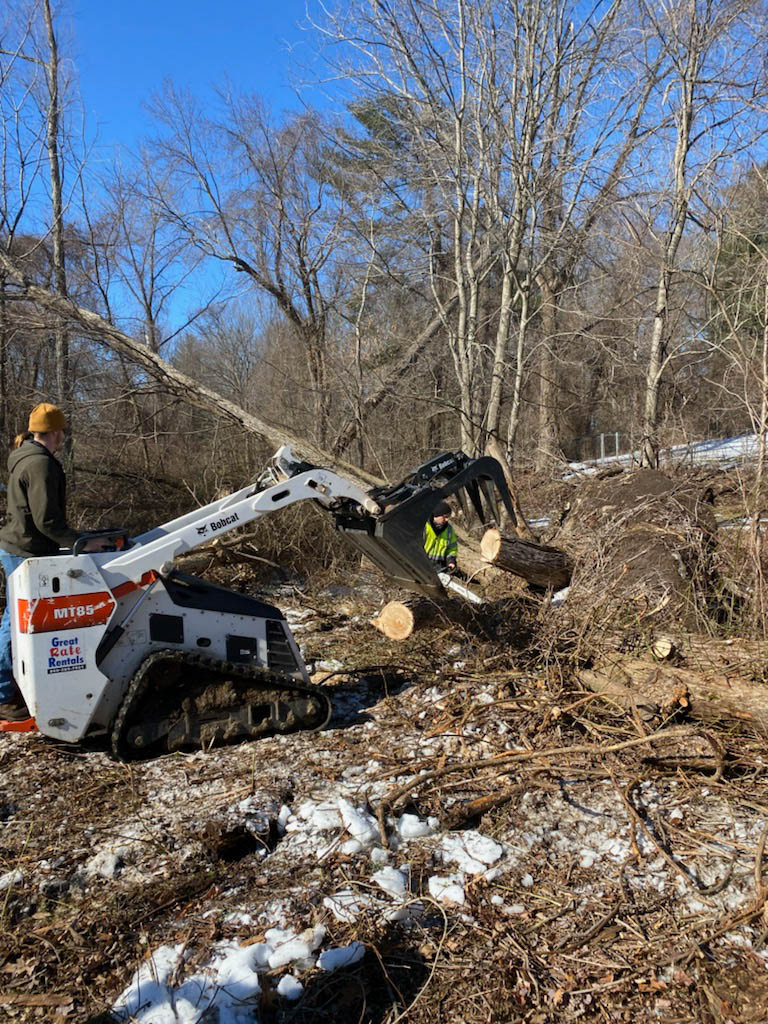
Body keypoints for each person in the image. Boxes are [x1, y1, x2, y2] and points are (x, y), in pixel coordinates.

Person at [0, 403, 104, 720]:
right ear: (55, 432)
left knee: (16, 621)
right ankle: (3, 695)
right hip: (26, 551)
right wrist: (81, 543)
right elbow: (47, 521)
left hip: (20, 546)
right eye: (62, 432)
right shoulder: (40, 465)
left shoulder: (26, 456)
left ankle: (13, 684)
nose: (63, 438)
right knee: (14, 623)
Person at [424, 500, 458, 573]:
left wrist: (451, 561)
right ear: (437, 515)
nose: (447, 519)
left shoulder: (449, 530)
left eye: (448, 517)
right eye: (445, 517)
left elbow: (452, 549)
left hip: (438, 567)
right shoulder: (424, 527)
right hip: (421, 564)